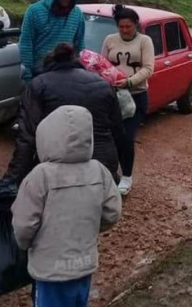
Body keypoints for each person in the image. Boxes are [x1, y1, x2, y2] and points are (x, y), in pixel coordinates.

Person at [12, 105, 122, 307]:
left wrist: (25, 245)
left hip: (50, 271)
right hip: (84, 265)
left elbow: (24, 225)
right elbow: (112, 213)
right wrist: (90, 229)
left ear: (46, 137)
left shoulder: (40, 176)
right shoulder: (99, 171)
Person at [4, 43, 126, 184]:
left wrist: (12, 179)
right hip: (102, 164)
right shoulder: (103, 84)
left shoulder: (39, 84)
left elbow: (27, 136)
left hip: (58, 166)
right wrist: (117, 172)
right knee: (97, 204)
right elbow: (118, 131)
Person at [101, 5, 154, 196]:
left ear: (136, 25)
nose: (124, 30)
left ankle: (127, 176)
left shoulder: (145, 41)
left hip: (136, 96)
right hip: (113, 97)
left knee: (126, 137)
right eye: (121, 27)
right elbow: (103, 64)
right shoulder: (109, 40)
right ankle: (109, 174)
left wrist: (129, 81)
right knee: (111, 136)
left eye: (128, 27)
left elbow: (148, 68)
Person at [20, 0, 86, 81]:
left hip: (67, 73)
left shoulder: (77, 14)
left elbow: (80, 44)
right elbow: (26, 45)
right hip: (40, 74)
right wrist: (27, 76)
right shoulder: (34, 12)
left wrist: (82, 71)